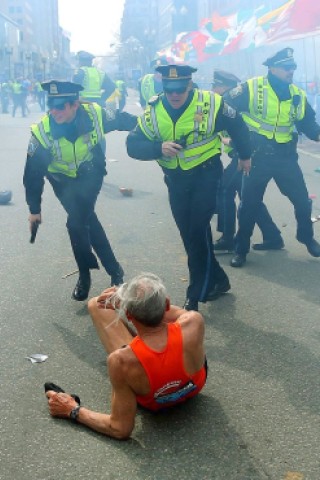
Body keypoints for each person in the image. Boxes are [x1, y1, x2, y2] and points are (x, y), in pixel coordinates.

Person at [126, 64, 252, 311]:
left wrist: (245, 155)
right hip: (176, 181)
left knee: (196, 231)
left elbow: (238, 126)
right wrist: (157, 148)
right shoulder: (153, 110)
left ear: (190, 85)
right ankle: (219, 280)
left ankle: (195, 295)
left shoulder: (211, 103)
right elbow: (132, 145)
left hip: (207, 175)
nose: (174, 95)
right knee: (192, 236)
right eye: (169, 89)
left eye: (180, 89)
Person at [45, 273, 207, 440]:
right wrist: (143, 304)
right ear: (166, 304)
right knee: (161, 330)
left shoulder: (120, 360)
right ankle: (146, 321)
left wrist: (72, 410)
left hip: (156, 401)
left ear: (128, 315)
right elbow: (171, 313)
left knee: (97, 304)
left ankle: (142, 329)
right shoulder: (194, 321)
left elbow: (119, 428)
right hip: (194, 385)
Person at [23, 80, 137, 301]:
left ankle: (85, 276)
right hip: (62, 181)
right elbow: (32, 174)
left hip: (89, 174)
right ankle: (115, 271)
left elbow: (125, 120)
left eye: (61, 106)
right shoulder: (42, 132)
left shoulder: (95, 114)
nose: (54, 111)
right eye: (51, 105)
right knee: (87, 222)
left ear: (75, 105)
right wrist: (34, 209)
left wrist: (150, 131)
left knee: (76, 223)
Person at [223, 47, 320, 268]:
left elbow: (307, 122)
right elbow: (226, 107)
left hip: (285, 158)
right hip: (257, 158)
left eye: (293, 67)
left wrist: (317, 134)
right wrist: (238, 141)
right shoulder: (252, 87)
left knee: (302, 202)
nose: (291, 71)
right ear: (273, 68)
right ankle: (241, 250)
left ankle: (306, 236)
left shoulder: (297, 94)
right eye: (287, 67)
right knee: (249, 205)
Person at [212, 70, 284, 253]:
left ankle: (228, 238)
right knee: (249, 198)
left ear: (226, 87)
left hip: (245, 156)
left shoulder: (235, 104)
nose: (214, 90)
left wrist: (233, 144)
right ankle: (273, 235)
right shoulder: (224, 103)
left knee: (225, 189)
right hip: (243, 155)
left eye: (217, 86)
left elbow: (245, 132)